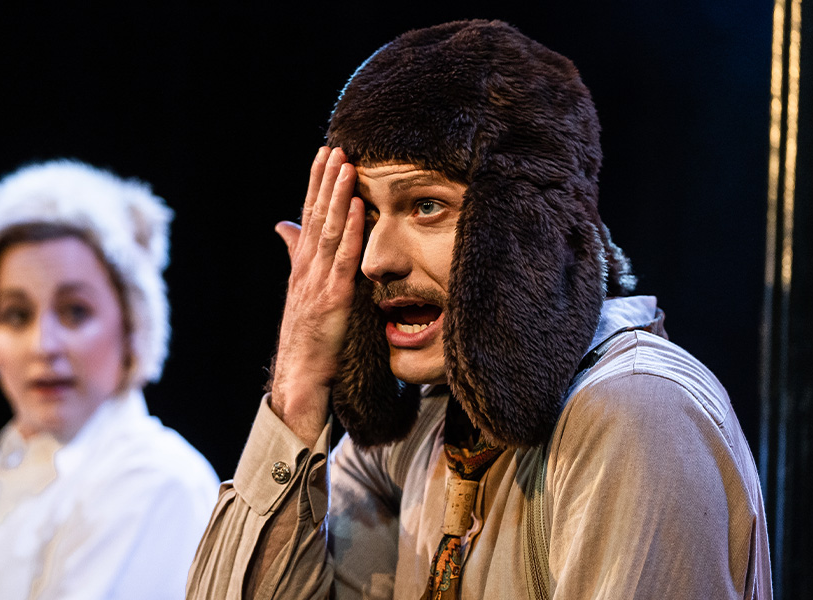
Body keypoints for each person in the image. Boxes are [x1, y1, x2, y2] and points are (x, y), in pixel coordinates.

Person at [188, 20, 772, 599]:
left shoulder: (636, 412)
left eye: (425, 206)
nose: (375, 261)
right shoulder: (421, 427)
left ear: (525, 231)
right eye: (370, 213)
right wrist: (298, 380)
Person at [0, 159, 219, 599]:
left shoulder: (159, 480)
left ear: (131, 327)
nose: (44, 345)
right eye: (16, 315)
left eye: (75, 311)